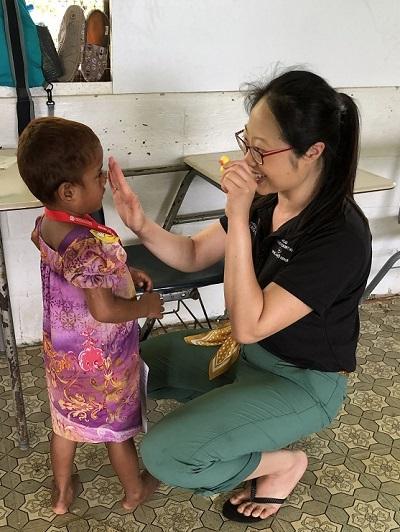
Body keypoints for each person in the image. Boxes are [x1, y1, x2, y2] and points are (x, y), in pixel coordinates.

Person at [107, 69, 372, 524]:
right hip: (245, 355)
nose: (245, 160)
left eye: (260, 150)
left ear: (313, 152)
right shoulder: (269, 201)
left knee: (166, 455)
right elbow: (192, 254)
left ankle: (283, 464)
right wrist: (141, 225)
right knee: (123, 363)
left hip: (299, 381)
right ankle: (235, 422)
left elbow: (250, 322)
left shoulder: (340, 235)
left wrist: (237, 208)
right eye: (245, 142)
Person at [17, 117, 163, 515]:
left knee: (64, 422)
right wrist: (144, 306)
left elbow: (77, 276)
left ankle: (62, 493)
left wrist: (122, 272)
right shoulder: (87, 245)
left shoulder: (50, 223)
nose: (103, 181)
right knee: (115, 429)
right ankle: (134, 490)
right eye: (96, 174)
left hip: (63, 355)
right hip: (101, 358)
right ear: (68, 191)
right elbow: (104, 308)